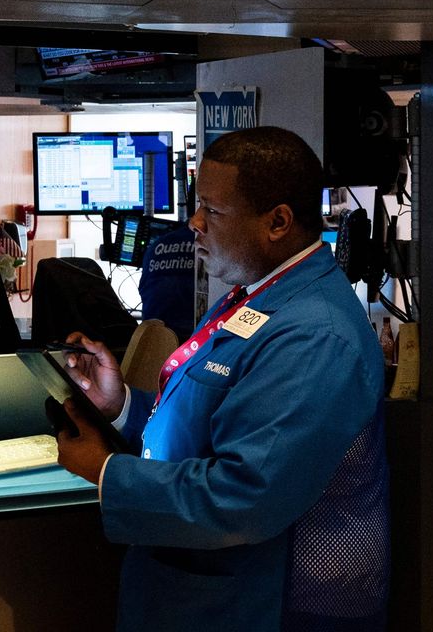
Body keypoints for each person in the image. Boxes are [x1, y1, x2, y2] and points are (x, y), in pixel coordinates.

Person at [54, 127, 388, 632]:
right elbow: (212, 425)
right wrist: (120, 405)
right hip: (205, 595)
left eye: (213, 210)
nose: (194, 223)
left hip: (264, 608)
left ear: (277, 221)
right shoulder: (260, 299)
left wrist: (108, 474)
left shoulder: (316, 334)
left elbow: (246, 495)